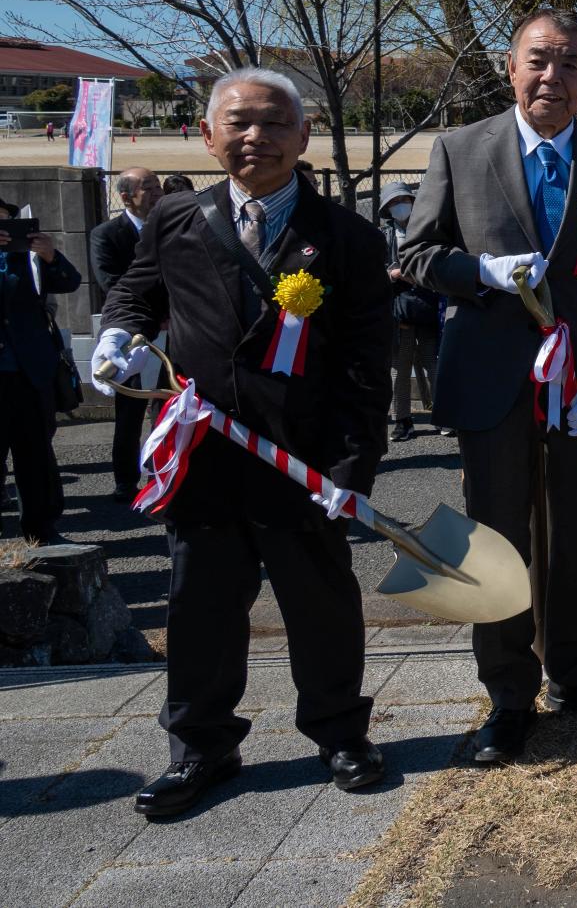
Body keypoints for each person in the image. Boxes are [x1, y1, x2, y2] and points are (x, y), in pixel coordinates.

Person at [93, 68, 393, 817]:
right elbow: (137, 290)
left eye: (271, 122)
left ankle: (338, 731)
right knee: (199, 605)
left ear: (304, 135)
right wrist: (118, 334)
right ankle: (200, 744)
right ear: (207, 134)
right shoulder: (176, 219)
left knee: (321, 604)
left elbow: (365, 363)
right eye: (237, 122)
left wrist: (354, 466)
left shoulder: (347, 238)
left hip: (303, 461)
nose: (254, 135)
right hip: (205, 457)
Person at [400, 6, 577, 764]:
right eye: (538, 59)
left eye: (571, 62)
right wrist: (478, 272)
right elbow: (414, 256)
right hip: (492, 381)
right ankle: (508, 691)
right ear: (511, 67)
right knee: (497, 535)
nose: (553, 75)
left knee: (576, 533)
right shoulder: (460, 147)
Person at [0, 198, 82, 544]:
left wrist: (50, 255)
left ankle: (41, 528)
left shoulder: (27, 258)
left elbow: (69, 282)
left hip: (30, 370)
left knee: (35, 452)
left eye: (7, 222)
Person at [89, 168, 163, 501]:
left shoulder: (171, 227)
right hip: (131, 333)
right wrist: (153, 317)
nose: (156, 192)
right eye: (147, 187)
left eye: (157, 185)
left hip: (176, 329)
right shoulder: (107, 234)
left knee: (169, 406)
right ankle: (125, 480)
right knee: (130, 410)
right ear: (125, 196)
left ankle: (165, 473)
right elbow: (111, 283)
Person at [379, 181, 443, 441]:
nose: (400, 206)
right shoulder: (383, 236)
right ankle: (402, 420)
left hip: (428, 305)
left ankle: (443, 415)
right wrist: (393, 273)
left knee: (433, 363)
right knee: (400, 368)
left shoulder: (429, 229)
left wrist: (424, 273)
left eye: (404, 200)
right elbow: (374, 272)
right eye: (393, 203)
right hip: (399, 310)